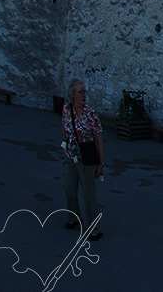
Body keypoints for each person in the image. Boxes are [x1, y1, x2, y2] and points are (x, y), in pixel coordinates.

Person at [61, 79, 104, 241]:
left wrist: (101, 163)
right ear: (72, 95)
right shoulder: (66, 109)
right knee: (69, 188)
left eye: (84, 91)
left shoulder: (91, 114)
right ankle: (74, 216)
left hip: (86, 158)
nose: (84, 95)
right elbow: (64, 128)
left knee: (88, 194)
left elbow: (99, 139)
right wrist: (64, 145)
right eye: (80, 92)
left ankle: (95, 228)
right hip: (70, 155)